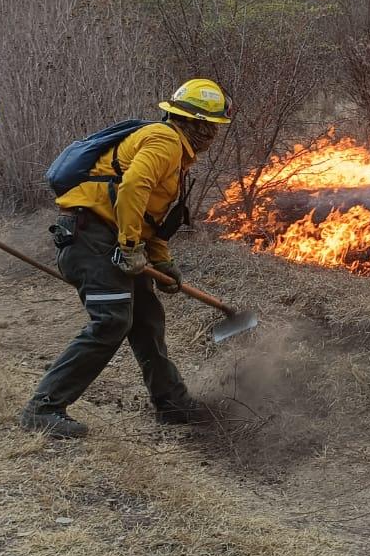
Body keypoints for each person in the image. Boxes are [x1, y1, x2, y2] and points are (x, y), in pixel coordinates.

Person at [20, 78, 232, 439]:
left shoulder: (175, 152)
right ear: (194, 123)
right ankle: (44, 407)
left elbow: (151, 218)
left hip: (108, 238)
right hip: (93, 238)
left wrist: (161, 260)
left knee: (146, 319)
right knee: (112, 321)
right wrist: (131, 246)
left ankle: (172, 402)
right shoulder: (165, 141)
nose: (213, 135)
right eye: (210, 126)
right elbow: (133, 187)